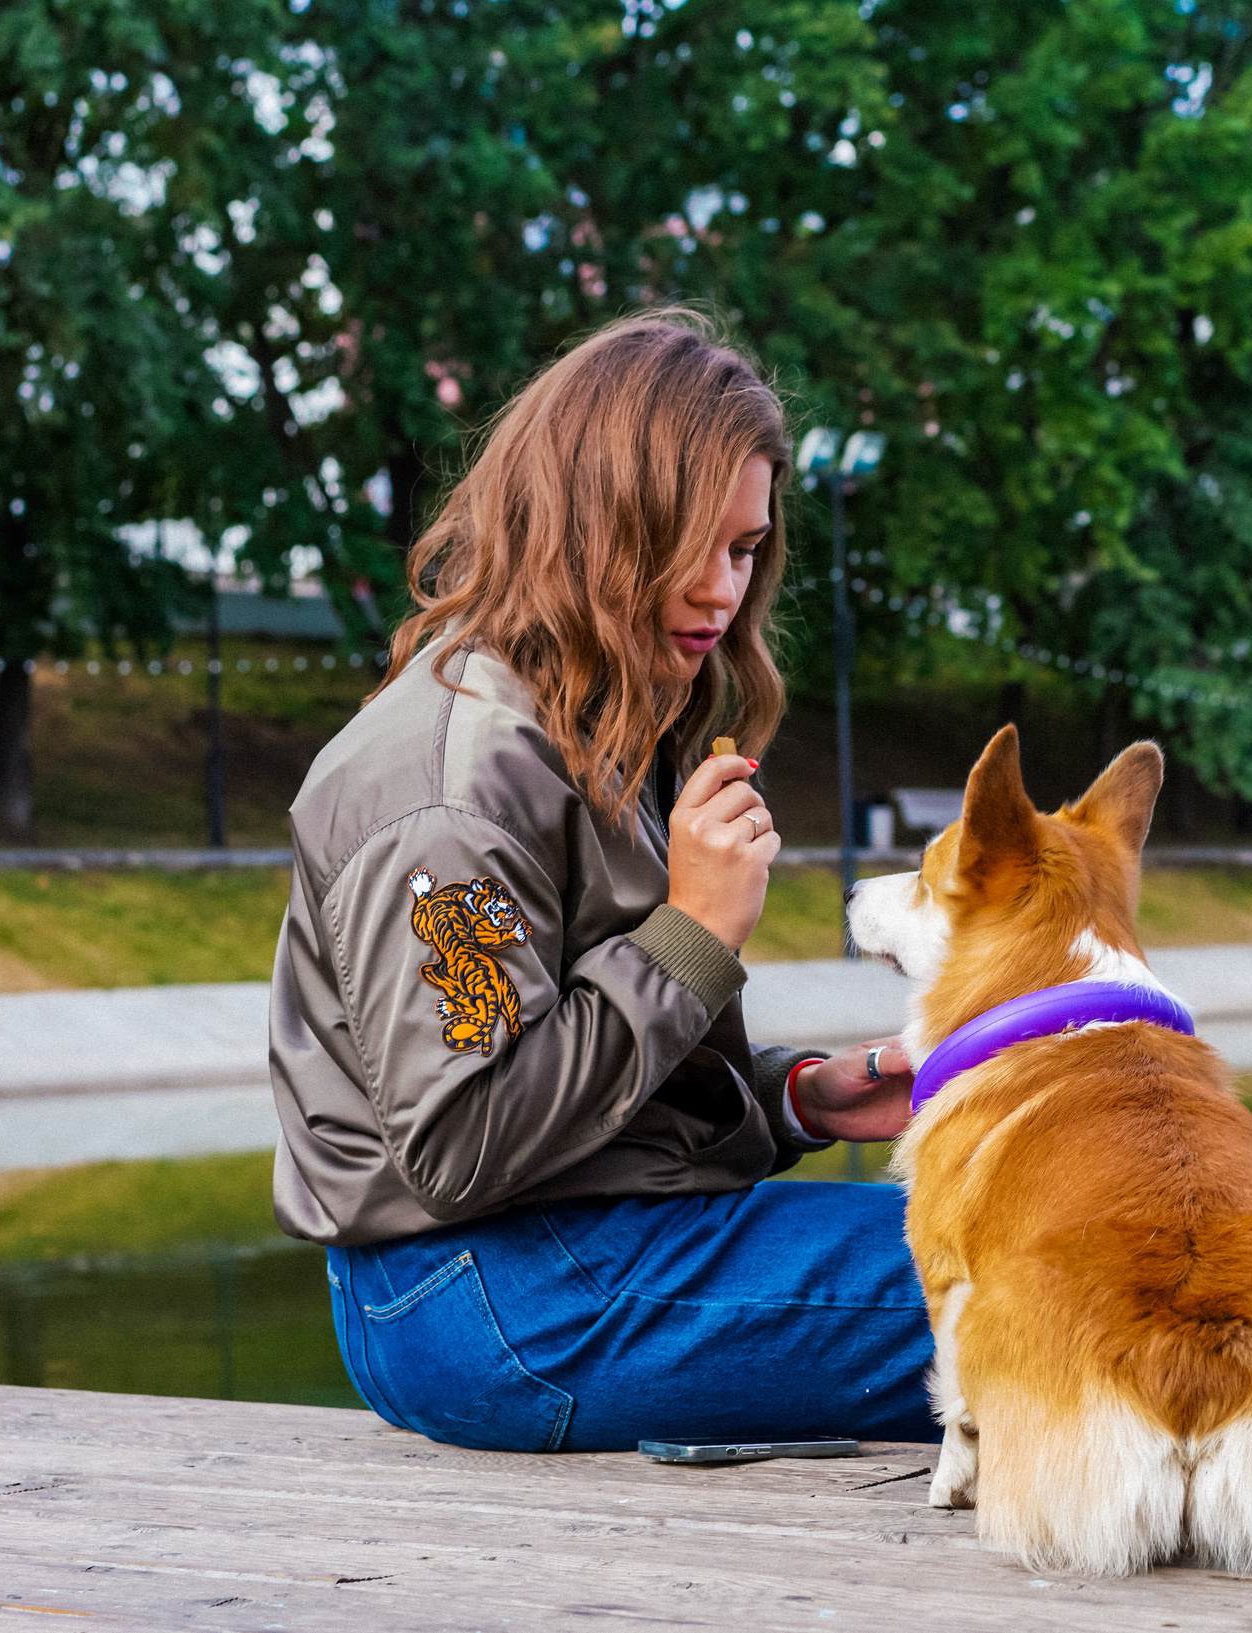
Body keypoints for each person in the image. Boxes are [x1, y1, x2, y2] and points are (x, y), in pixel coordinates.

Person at [268, 310, 936, 1452]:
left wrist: (796, 1098)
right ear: (593, 524)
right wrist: (692, 935)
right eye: (689, 545)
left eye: (745, 550)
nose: (723, 592)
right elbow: (463, 1143)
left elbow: (590, 1088)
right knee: (1075, 1270)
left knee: (1068, 1238)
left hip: (556, 1259)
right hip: (484, 1297)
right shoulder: (452, 790)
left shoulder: (598, 723)